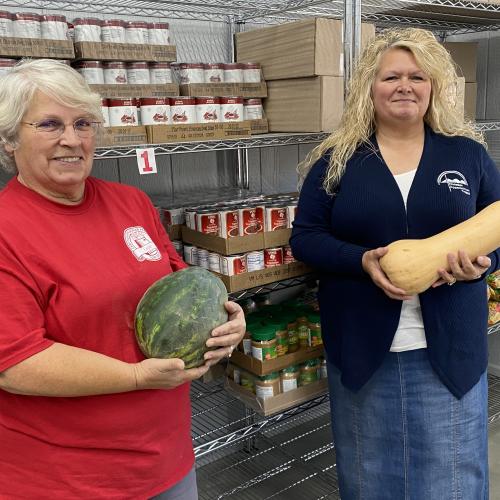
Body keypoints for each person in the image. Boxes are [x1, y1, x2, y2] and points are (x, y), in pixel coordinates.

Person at [0, 58, 245, 499]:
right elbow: (16, 364)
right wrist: (134, 376)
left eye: (83, 123)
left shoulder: (129, 202)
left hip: (164, 459)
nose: (71, 140)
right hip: (65, 479)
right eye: (51, 125)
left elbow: (182, 282)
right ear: (10, 138)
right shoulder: (6, 228)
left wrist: (229, 319)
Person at [290, 27, 500, 499]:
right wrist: (359, 260)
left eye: (416, 76)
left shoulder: (468, 155)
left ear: (433, 87)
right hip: (365, 347)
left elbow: (497, 227)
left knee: (451, 476)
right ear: (370, 86)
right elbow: (305, 239)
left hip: (450, 347)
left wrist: (482, 263)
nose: (404, 86)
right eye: (391, 77)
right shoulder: (336, 160)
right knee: (372, 476)